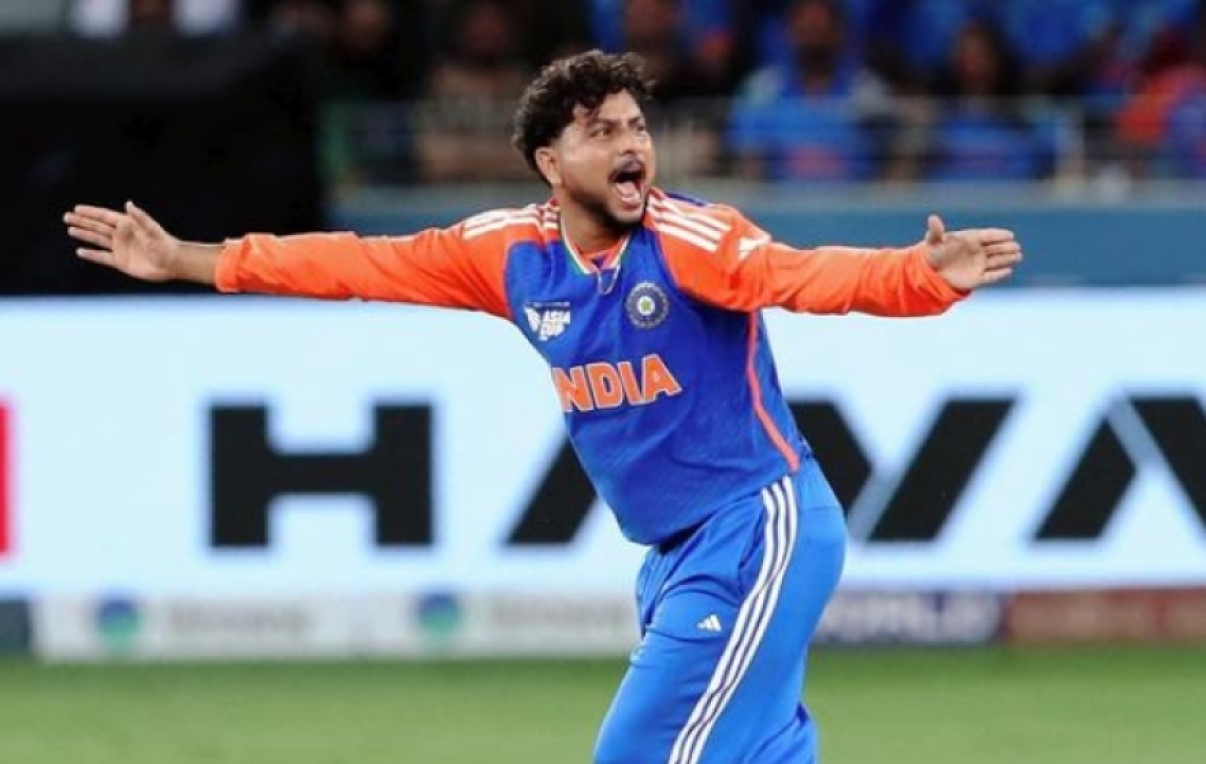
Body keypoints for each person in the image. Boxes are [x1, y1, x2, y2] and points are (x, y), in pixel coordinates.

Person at [64, 50, 1022, 763]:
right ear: (550, 164)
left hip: (755, 528)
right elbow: (358, 263)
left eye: (637, 127)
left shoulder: (689, 240)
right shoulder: (509, 254)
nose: (632, 144)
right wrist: (191, 260)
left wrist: (917, 275)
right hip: (674, 553)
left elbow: (801, 276)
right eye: (602, 132)